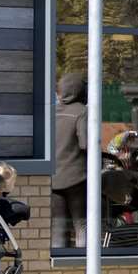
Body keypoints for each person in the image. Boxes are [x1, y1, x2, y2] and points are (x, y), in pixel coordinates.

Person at [51, 72, 90, 249]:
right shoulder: (82, 112)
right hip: (77, 178)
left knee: (58, 227)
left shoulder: (52, 112)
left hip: (54, 178)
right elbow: (86, 144)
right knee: (82, 225)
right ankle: (84, 265)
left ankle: (60, 266)